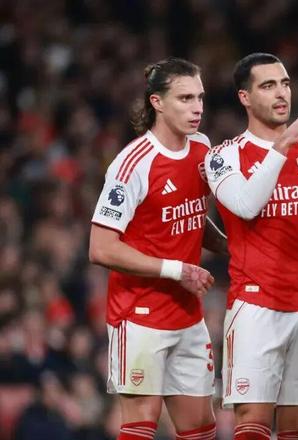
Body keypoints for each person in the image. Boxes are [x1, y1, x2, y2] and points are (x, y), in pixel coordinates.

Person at [204, 53, 298, 440]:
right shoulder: (224, 156)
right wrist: (283, 144)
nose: (281, 93)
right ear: (245, 97)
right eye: (268, 85)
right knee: (252, 424)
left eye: (285, 84)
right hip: (256, 306)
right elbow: (245, 205)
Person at [89, 57, 218, 440]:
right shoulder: (132, 164)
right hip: (140, 314)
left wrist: (234, 248)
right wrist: (177, 270)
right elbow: (101, 248)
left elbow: (193, 217)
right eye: (185, 98)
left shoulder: (202, 148)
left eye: (200, 97)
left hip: (187, 314)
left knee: (201, 428)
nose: (197, 108)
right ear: (157, 102)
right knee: (140, 426)